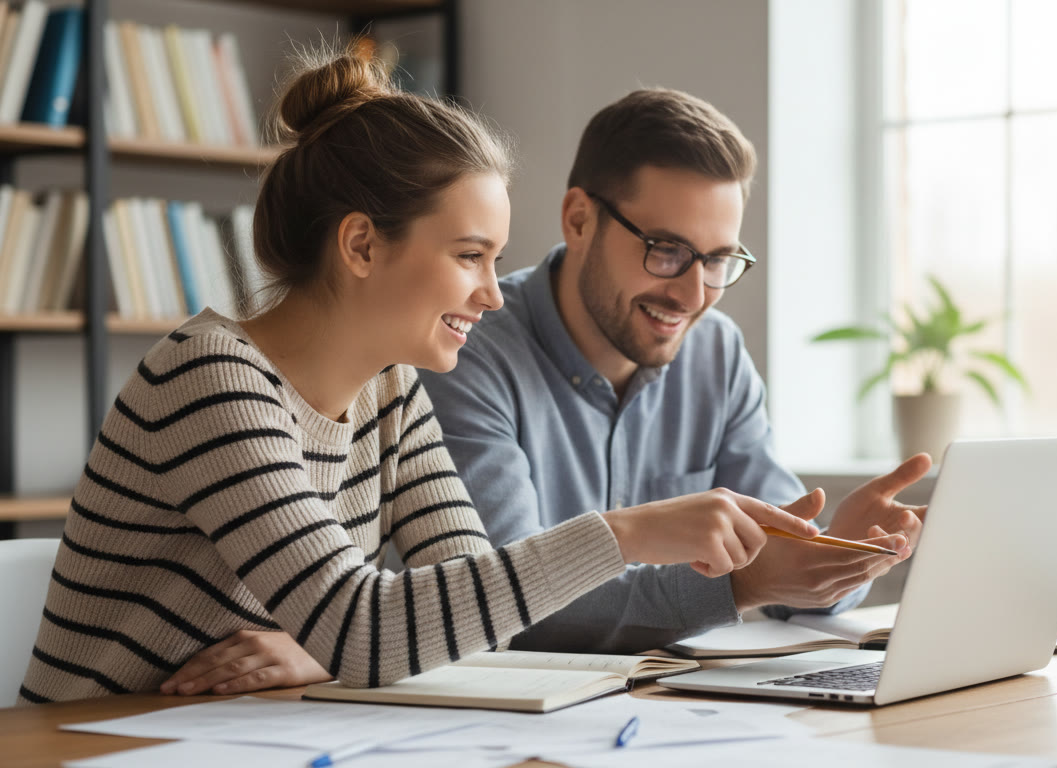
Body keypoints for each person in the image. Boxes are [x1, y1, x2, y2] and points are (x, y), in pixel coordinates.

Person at [17, 54, 821, 705]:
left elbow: (482, 611)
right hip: (92, 748)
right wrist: (627, 533)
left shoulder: (390, 394)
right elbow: (364, 628)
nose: (493, 293)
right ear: (362, 246)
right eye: (469, 256)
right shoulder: (214, 380)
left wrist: (328, 653)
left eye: (497, 261)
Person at [419, 88, 932, 655]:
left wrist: (838, 547)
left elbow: (780, 559)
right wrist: (742, 585)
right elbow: (504, 603)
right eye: (665, 250)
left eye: (717, 261)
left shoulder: (715, 351)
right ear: (579, 219)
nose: (693, 295)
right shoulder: (466, 350)